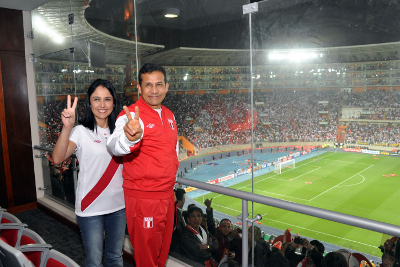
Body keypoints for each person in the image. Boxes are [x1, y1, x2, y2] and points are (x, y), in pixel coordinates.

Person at [107, 63, 178, 267]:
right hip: (144, 197)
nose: (154, 90)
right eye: (148, 85)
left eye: (158, 84)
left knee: (160, 256)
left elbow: (171, 152)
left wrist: (171, 187)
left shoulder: (170, 115)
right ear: (139, 88)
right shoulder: (130, 116)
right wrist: (130, 138)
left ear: (166, 86)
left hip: (166, 195)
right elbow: (113, 145)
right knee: (147, 260)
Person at [52, 79, 126, 267]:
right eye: (96, 99)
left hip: (119, 206)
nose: (102, 105)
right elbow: (58, 158)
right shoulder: (80, 131)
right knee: (94, 261)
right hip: (90, 206)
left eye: (107, 99)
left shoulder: (121, 131)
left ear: (114, 102)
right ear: (89, 103)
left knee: (115, 258)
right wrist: (67, 127)